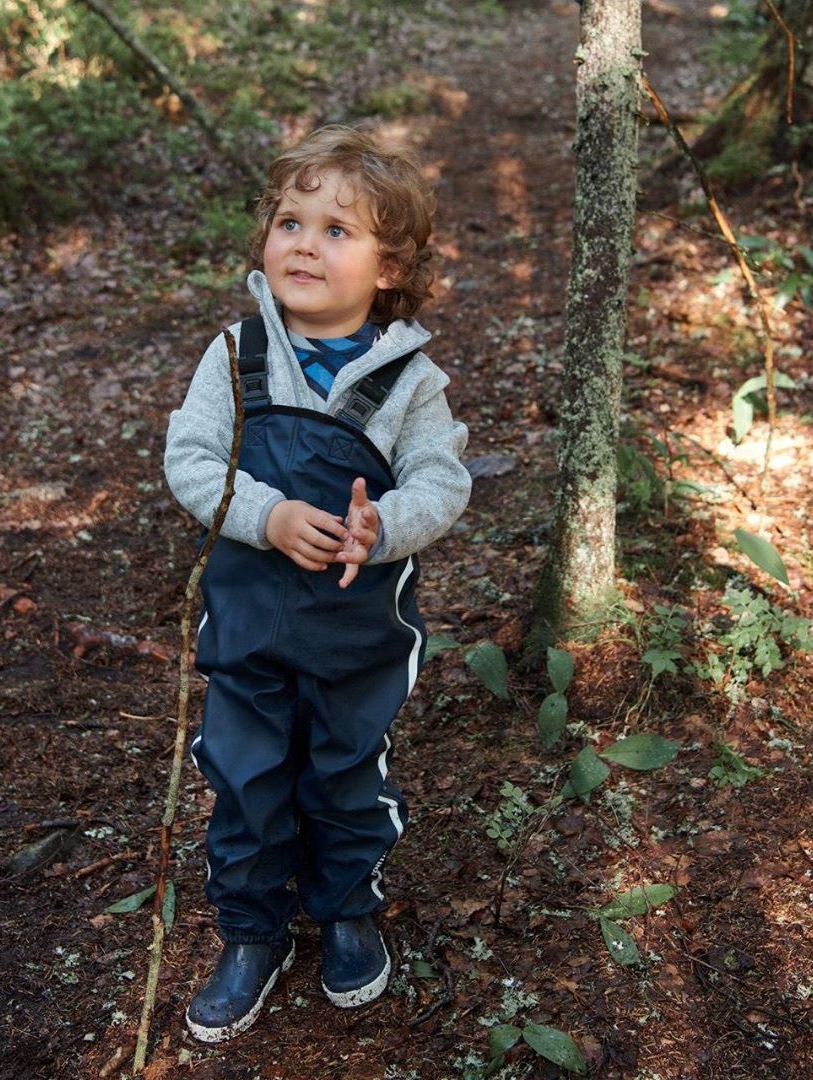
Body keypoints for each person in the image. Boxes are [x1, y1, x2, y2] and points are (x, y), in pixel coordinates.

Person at [164, 124, 471, 1042]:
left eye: (338, 230)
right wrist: (266, 515)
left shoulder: (408, 381)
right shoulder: (236, 354)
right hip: (249, 627)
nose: (305, 242)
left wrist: (384, 527)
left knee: (346, 774)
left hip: (356, 633)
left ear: (388, 267)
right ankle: (253, 933)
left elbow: (443, 481)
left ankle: (346, 910)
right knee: (247, 776)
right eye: (291, 221)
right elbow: (190, 456)